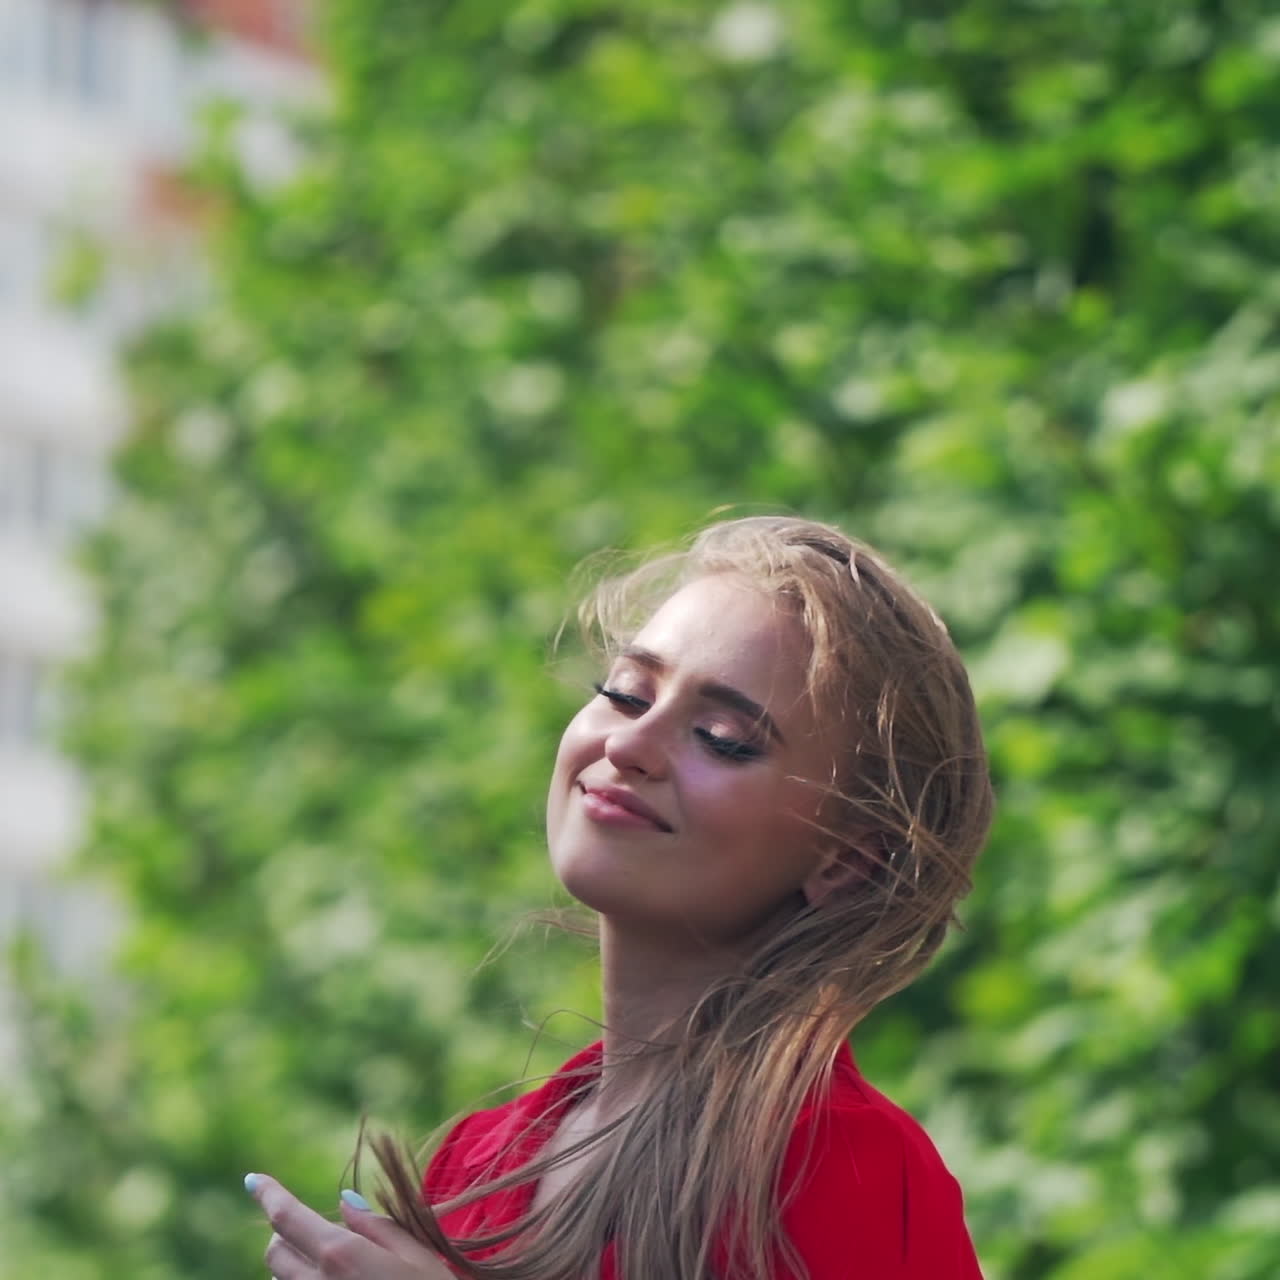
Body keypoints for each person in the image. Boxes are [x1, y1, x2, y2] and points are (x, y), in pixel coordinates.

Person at [247, 515, 994, 1279]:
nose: (628, 745)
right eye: (627, 693)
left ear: (846, 859)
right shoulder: (476, 1161)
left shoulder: (849, 1167)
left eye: (722, 737)